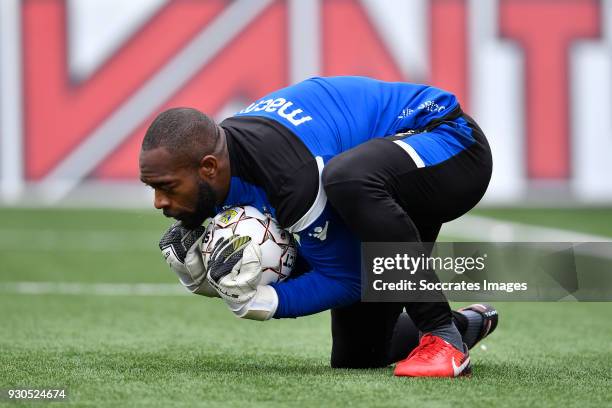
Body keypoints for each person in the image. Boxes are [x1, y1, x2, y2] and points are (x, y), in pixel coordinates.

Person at [139, 76, 497, 377]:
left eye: (167, 187)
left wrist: (265, 301)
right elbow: (340, 265)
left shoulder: (289, 175)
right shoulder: (226, 163)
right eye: (153, 188)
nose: (159, 202)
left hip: (450, 141)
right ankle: (465, 325)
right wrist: (213, 282)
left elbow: (349, 277)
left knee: (348, 179)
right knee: (359, 356)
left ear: (208, 168)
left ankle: (443, 337)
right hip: (383, 179)